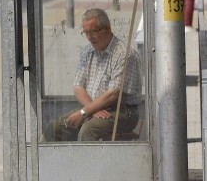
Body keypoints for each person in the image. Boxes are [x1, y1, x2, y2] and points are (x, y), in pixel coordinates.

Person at [46, 8, 141, 141]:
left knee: (88, 130)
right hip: (92, 107)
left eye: (93, 31)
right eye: (86, 32)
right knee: (56, 128)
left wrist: (85, 112)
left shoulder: (124, 54)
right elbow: (78, 87)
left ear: (107, 28)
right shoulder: (87, 51)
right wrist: (92, 109)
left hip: (122, 112)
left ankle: (87, 162)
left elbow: (113, 94)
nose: (90, 37)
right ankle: (69, 161)